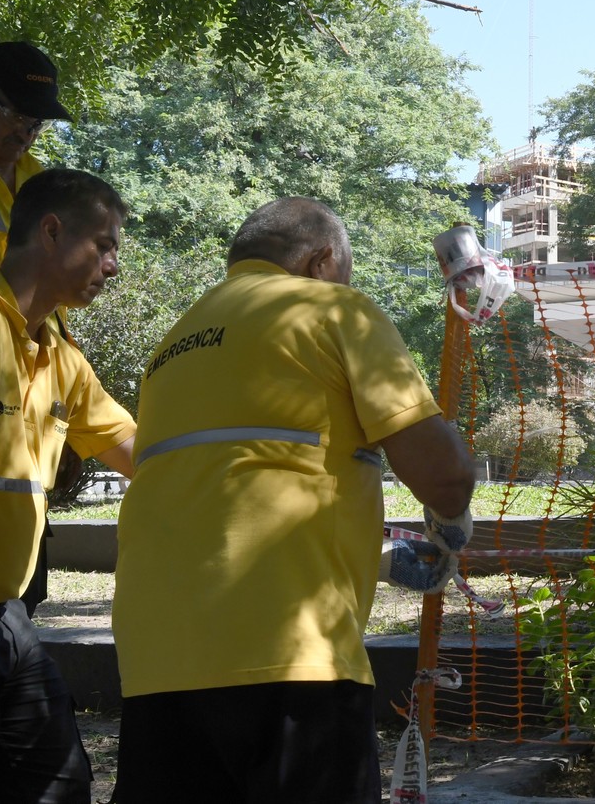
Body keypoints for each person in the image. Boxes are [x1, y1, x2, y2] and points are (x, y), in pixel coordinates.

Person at [112, 197, 477, 804]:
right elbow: (443, 476)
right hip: (290, 656)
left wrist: (379, 555)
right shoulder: (334, 309)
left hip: (157, 666)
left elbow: (229, 487)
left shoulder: (171, 347)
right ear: (322, 260)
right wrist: (451, 525)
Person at [0, 168, 137, 803]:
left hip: (6, 616)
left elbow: (142, 454)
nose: (113, 265)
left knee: (60, 784)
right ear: (50, 231)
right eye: (104, 245)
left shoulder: (62, 358)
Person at [0, 41, 82, 616]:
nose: (26, 130)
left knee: (24, 593)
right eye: (14, 111)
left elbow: (55, 298)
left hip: (38, 400)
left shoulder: (44, 183)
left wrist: (66, 413)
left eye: (37, 120)